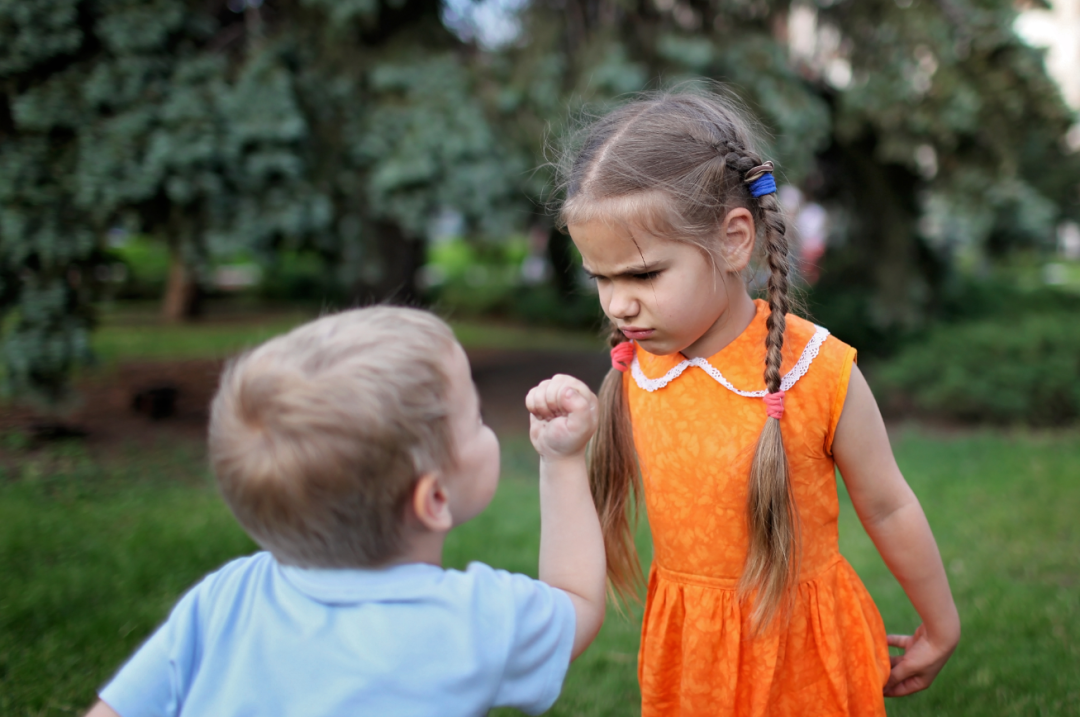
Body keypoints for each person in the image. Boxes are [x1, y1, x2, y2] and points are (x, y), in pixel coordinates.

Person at [556, 91, 960, 716]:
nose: (617, 305)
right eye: (600, 279)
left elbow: (887, 504)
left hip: (804, 653)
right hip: (691, 655)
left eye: (642, 275)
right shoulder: (637, 367)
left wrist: (939, 623)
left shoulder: (816, 370)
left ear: (733, 240)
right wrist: (557, 451)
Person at [85, 307, 606, 717]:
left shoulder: (226, 595)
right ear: (435, 500)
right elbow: (577, 602)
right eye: (477, 417)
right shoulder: (476, 619)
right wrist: (561, 462)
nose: (486, 423)